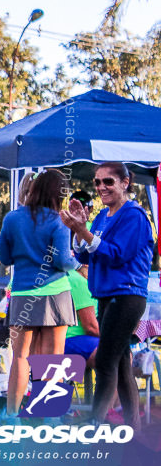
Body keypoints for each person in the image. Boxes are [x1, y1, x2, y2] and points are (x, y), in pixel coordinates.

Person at [61, 161, 154, 430]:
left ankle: (95, 423)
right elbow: (82, 255)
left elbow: (117, 254)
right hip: (105, 294)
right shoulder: (101, 216)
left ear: (125, 183)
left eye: (108, 182)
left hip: (126, 295)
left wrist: (82, 231)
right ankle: (132, 425)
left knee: (105, 360)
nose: (101, 187)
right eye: (97, 182)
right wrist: (78, 231)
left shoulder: (134, 216)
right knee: (121, 361)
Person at [0, 169, 79, 424]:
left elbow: (5, 258)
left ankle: (11, 416)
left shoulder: (12, 218)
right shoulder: (59, 221)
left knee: (20, 359)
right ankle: (50, 417)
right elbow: (63, 261)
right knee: (53, 359)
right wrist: (77, 263)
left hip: (22, 293)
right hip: (55, 294)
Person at [63, 264, 100, 363]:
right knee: (117, 351)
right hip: (70, 339)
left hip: (54, 340)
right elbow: (91, 327)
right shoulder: (77, 280)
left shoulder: (65, 275)